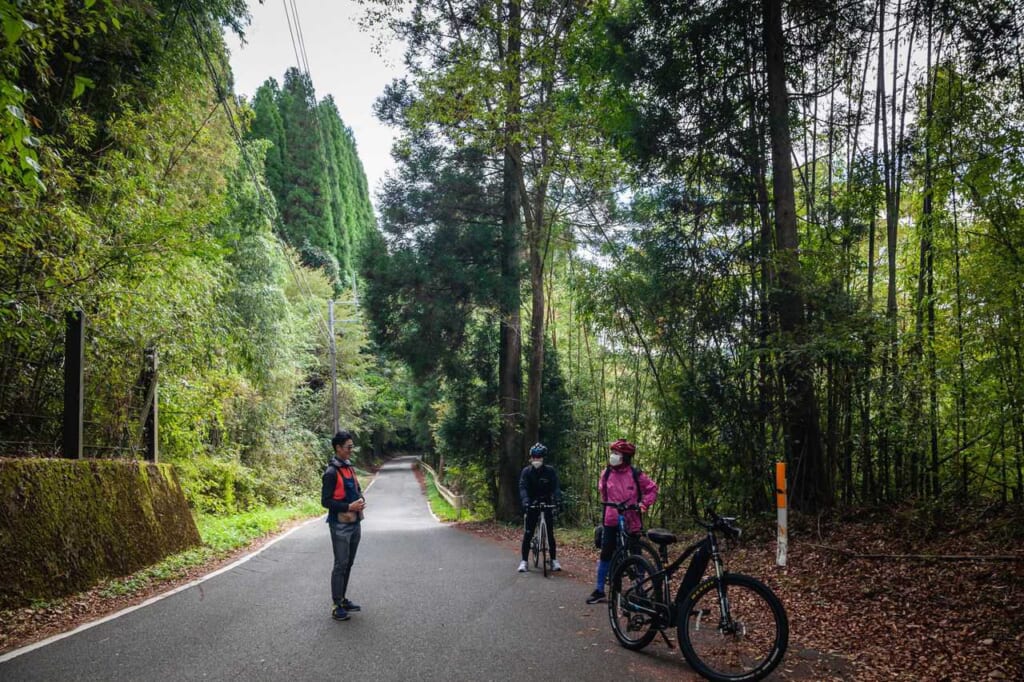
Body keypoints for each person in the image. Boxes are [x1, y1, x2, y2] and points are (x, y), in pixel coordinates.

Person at [586, 438, 658, 604]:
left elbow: (652, 489)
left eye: (617, 453)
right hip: (611, 519)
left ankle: (640, 589)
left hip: (631, 519)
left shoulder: (635, 474)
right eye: (613, 453)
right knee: (606, 553)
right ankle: (599, 590)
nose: (613, 456)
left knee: (635, 553)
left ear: (625, 457)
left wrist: (643, 504)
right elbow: (604, 494)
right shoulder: (607, 473)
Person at [321, 429, 367, 621]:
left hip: (355, 523)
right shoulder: (331, 472)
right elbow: (326, 502)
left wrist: (361, 500)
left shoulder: (349, 467)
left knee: (348, 562)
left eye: (351, 446)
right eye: (348, 447)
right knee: (340, 564)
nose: (350, 450)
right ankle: (336, 605)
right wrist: (348, 506)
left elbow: (356, 489)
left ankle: (342, 598)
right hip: (340, 525)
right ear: (338, 448)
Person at [518, 442, 562, 573]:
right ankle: (524, 561)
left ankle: (553, 560)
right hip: (531, 503)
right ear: (531, 458)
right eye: (534, 457)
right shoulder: (526, 472)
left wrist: (558, 500)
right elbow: (522, 487)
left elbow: (556, 487)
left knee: (550, 533)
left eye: (539, 457)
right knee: (528, 533)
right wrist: (525, 501)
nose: (536, 460)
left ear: (543, 458)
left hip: (546, 502)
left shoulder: (550, 471)